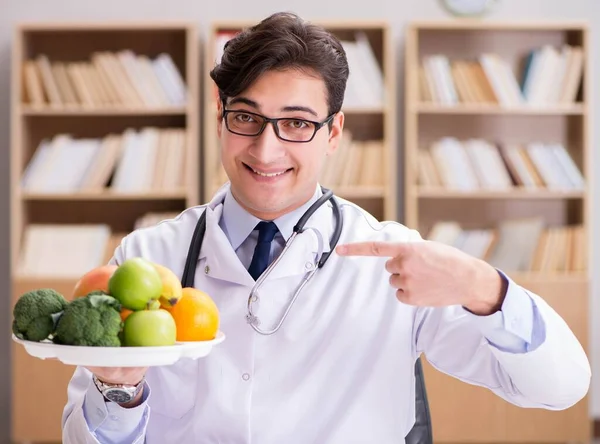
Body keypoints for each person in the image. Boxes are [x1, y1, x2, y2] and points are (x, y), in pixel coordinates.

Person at [61, 11, 590, 444]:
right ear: (220, 115)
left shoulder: (398, 261)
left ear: (333, 131)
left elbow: (561, 386)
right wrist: (120, 394)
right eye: (246, 117)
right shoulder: (145, 257)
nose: (266, 150)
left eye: (296, 123)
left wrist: (484, 288)